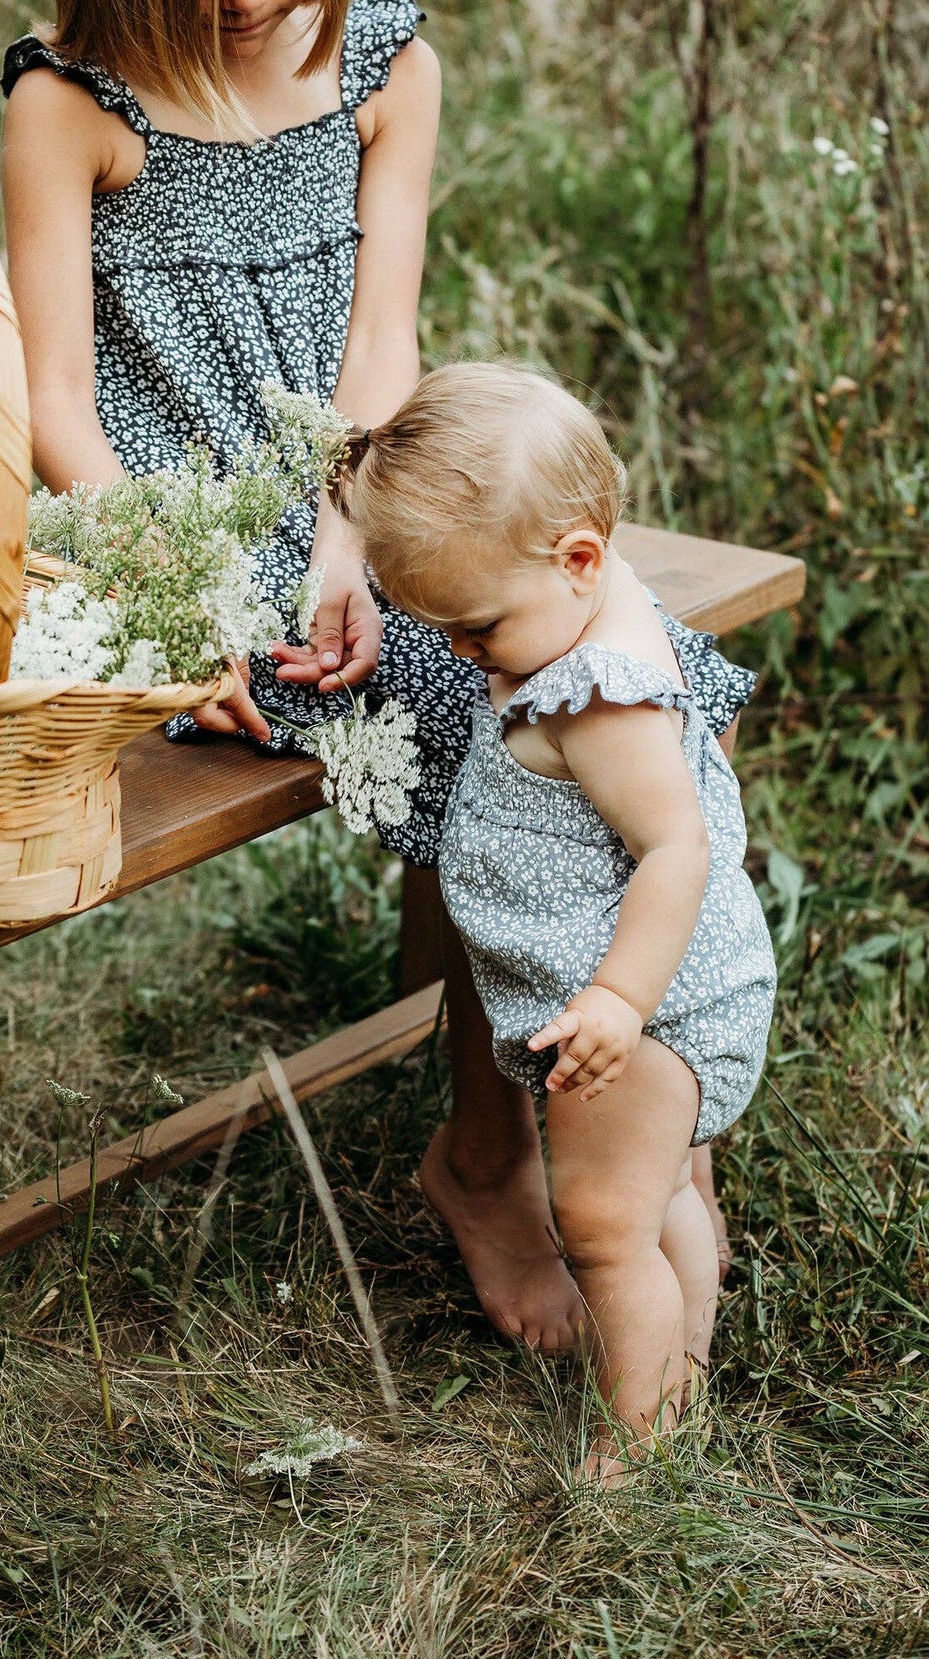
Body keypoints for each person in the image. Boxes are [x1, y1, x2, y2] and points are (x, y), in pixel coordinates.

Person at [0, 1, 753, 1353]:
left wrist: (349, 546)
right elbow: (56, 401)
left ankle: (630, 1086)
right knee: (505, 731)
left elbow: (376, 354)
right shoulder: (72, 102)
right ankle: (497, 1151)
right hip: (163, 545)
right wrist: (189, 606)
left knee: (607, 695)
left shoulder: (386, 70)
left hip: (354, 499)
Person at [333, 360, 775, 1478]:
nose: (457, 655)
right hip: (677, 992)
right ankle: (680, 1375)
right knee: (656, 1195)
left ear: (576, 557)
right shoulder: (580, 599)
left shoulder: (600, 695)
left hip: (636, 1008)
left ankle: (632, 1450)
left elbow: (674, 849)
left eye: (475, 628)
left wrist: (617, 1004)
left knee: (598, 1229)